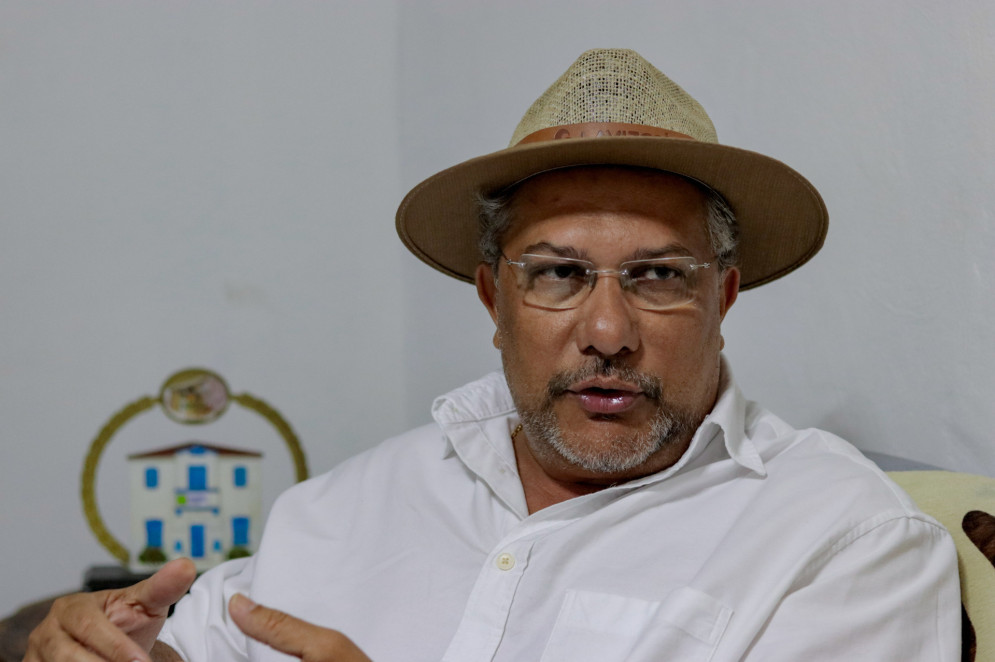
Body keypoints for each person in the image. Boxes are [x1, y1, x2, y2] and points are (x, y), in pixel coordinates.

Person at [25, 49, 959, 662]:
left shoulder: (845, 543)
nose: (606, 332)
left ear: (721, 298)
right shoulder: (343, 508)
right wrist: (98, 644)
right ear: (491, 299)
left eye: (657, 276)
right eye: (556, 275)